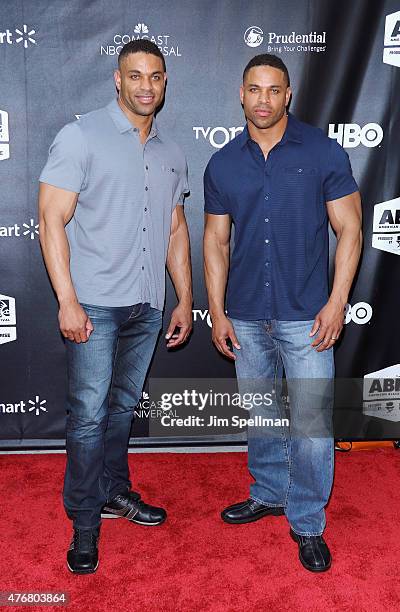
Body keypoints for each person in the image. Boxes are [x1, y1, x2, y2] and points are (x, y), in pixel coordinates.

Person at [38, 40, 192, 574]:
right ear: (117, 79)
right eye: (135, 75)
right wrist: (67, 301)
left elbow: (175, 228)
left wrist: (184, 297)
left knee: (122, 410)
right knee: (86, 418)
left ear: (165, 81)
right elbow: (50, 218)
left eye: (155, 76)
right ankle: (84, 522)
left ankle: (113, 491)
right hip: (95, 306)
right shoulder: (81, 136)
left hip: (148, 305)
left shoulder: (172, 153)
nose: (145, 85)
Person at [203, 54, 362, 572]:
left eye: (274, 90)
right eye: (255, 89)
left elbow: (352, 230)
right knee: (263, 416)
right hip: (246, 314)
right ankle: (269, 492)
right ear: (241, 94)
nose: (264, 99)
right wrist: (218, 311)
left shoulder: (322, 151)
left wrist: (337, 302)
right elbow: (215, 242)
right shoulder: (223, 163)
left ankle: (309, 521)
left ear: (288, 94)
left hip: (307, 315)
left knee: (312, 424)